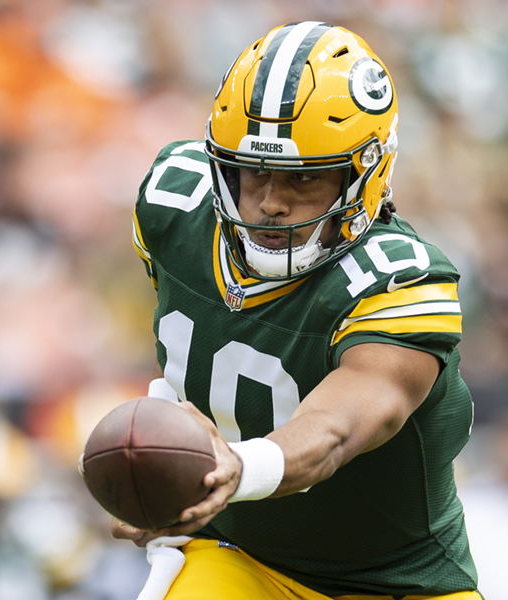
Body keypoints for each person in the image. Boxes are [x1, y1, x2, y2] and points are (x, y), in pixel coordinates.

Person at [118, 23, 481, 599]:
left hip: (394, 583)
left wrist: (236, 468)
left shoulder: (402, 278)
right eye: (252, 170)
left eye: (305, 178)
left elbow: (334, 432)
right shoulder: (173, 203)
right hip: (238, 556)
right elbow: (190, 331)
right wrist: (163, 461)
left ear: (366, 173)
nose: (270, 202)